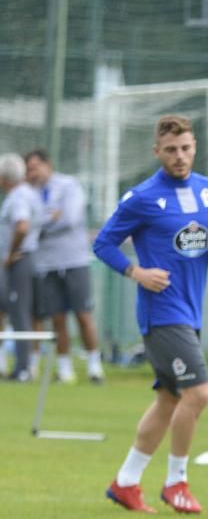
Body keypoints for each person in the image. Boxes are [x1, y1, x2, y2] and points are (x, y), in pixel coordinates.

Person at [92, 114, 208, 514]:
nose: (180, 156)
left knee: (170, 399)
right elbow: (103, 244)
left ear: (195, 147)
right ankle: (176, 481)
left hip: (191, 312)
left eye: (186, 148)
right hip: (162, 313)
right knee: (199, 392)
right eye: (171, 150)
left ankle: (125, 482)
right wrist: (136, 272)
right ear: (157, 152)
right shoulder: (142, 196)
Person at [24, 148, 106, 384]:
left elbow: (70, 218)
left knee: (83, 315)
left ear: (47, 165)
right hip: (46, 264)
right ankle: (64, 369)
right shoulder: (29, 193)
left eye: (35, 167)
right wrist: (50, 217)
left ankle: (94, 367)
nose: (32, 173)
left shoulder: (69, 185)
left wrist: (41, 223)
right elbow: (27, 225)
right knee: (57, 318)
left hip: (74, 261)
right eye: (28, 169)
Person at [0, 153, 43, 382]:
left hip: (20, 260)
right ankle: (23, 366)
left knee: (19, 313)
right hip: (29, 257)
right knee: (21, 311)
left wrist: (10, 254)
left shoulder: (17, 197)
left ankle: (23, 369)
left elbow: (22, 226)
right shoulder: (29, 193)